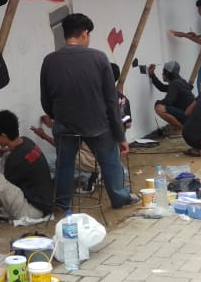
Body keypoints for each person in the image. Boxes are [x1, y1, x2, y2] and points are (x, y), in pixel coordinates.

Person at [40, 13, 137, 209]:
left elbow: (46, 99)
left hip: (65, 124)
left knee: (64, 165)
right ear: (84, 34)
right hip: (98, 124)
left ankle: (62, 203)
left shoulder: (49, 61)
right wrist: (120, 136)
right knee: (110, 162)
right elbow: (111, 100)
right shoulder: (99, 58)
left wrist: (56, 116)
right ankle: (119, 198)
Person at [148, 61, 196, 131]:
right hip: (191, 116)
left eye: (163, 71)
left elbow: (168, 101)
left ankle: (182, 129)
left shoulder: (175, 83)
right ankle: (181, 127)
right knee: (163, 106)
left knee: (159, 108)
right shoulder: (180, 81)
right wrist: (152, 75)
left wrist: (158, 102)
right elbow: (162, 87)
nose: (162, 74)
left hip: (188, 117)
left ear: (167, 73)